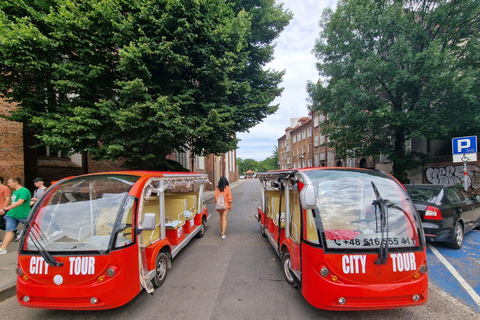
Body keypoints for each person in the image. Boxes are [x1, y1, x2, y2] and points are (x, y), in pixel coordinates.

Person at [0, 178, 31, 254]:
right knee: (9, 231)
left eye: (9, 182)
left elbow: (20, 202)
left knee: (32, 229)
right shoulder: (15, 192)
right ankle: (3, 248)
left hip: (23, 214)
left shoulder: (24, 190)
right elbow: (14, 203)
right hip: (12, 215)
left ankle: (38, 244)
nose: (8, 184)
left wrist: (5, 209)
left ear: (16, 182)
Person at [0, 177, 12, 246]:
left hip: (3, 209)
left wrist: (4, 209)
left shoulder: (5, 188)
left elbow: (7, 199)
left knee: (1, 224)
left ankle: (14, 231)